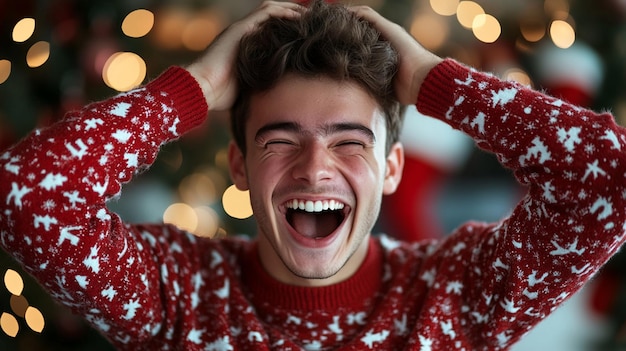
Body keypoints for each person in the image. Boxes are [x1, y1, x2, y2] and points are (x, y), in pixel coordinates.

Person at [1, 0, 625, 350]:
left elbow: (611, 182)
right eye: (280, 141)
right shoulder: (174, 296)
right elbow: (25, 196)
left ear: (391, 168)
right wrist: (196, 87)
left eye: (350, 143)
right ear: (239, 165)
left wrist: (433, 82)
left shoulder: (456, 299)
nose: (315, 169)